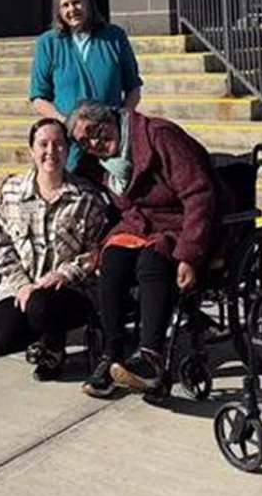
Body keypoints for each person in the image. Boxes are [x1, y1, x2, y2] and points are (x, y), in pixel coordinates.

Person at [67, 100, 219, 399]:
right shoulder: (100, 163)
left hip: (181, 222)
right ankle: (111, 356)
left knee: (152, 262)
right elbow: (71, 178)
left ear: (111, 118)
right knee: (112, 261)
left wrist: (189, 255)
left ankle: (151, 358)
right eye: (84, 142)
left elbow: (199, 194)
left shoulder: (159, 136)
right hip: (138, 225)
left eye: (95, 131)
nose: (94, 143)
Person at [0, 118, 109, 380]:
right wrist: (21, 284)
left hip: (70, 288)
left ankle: (53, 348)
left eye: (59, 144)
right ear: (32, 150)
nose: (51, 151)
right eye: (43, 144)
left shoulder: (86, 197)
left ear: (68, 150)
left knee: (41, 306)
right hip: (21, 286)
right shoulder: (12, 192)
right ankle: (41, 337)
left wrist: (64, 274)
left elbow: (95, 252)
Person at [29, 0, 142, 164]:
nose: (72, 9)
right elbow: (39, 98)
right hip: (70, 144)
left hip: (110, 143)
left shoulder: (114, 37)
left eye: (76, 2)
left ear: (88, 2)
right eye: (65, 5)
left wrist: (119, 122)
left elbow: (134, 89)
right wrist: (67, 123)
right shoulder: (48, 43)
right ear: (58, 11)